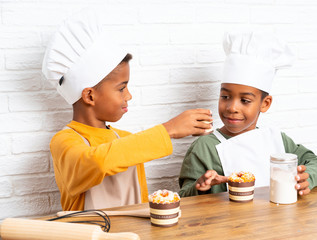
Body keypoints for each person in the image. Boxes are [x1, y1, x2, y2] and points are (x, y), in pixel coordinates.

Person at [42, 10, 212, 211]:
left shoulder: (126, 140)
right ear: (89, 96)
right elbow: (97, 162)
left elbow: (139, 203)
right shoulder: (64, 142)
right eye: (121, 88)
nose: (129, 95)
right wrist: (168, 130)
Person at [179, 31, 317, 197]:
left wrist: (307, 178)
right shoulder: (204, 147)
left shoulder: (277, 140)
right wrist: (201, 186)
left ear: (265, 104)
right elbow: (185, 196)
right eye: (225, 97)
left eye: (244, 100)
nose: (232, 107)